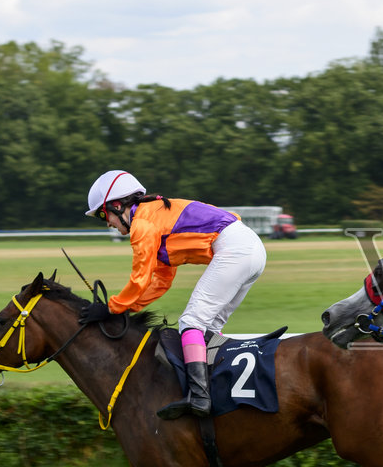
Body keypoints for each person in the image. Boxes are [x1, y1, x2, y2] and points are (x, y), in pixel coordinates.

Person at [82, 170, 266, 419]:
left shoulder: (143, 223)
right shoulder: (155, 216)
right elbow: (160, 282)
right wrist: (128, 308)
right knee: (209, 326)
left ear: (118, 205)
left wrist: (112, 308)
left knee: (191, 322)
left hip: (235, 249)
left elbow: (140, 278)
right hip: (249, 249)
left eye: (104, 214)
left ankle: (199, 397)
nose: (107, 223)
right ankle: (216, 388)